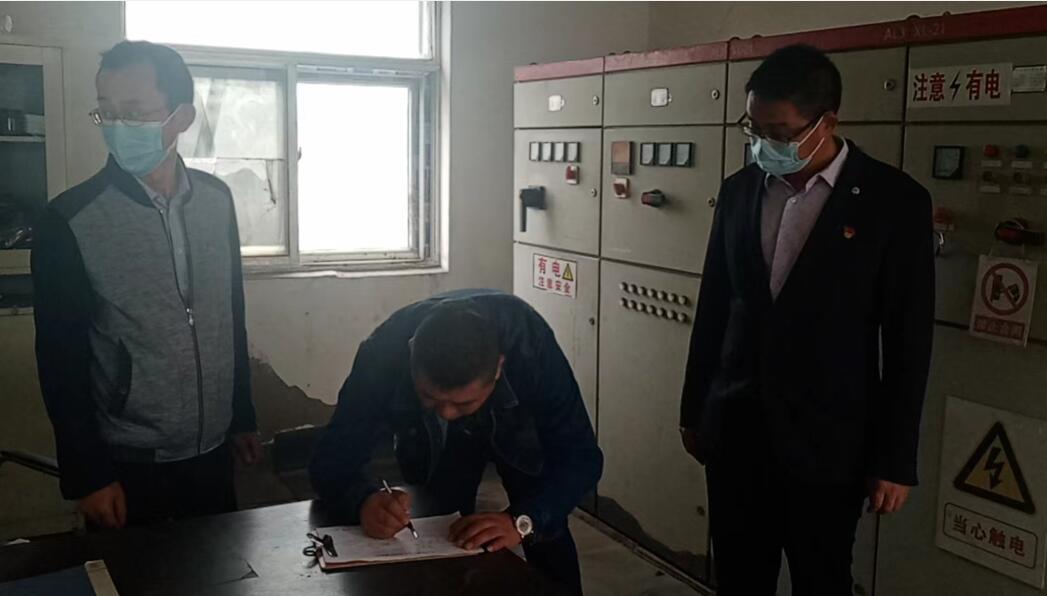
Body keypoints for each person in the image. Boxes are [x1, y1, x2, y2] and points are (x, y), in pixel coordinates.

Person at [679, 44, 934, 595]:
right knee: (739, 576)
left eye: (780, 132)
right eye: (755, 128)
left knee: (822, 579)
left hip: (830, 446)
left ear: (828, 123)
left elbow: (909, 342)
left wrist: (895, 459)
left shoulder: (894, 202)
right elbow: (716, 306)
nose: (765, 144)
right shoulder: (740, 190)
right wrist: (695, 410)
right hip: (737, 431)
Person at [32, 41, 261, 530]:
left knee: (219, 567)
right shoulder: (70, 221)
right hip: (127, 463)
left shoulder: (217, 201)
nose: (117, 126)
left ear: (182, 118)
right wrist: (88, 475)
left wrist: (241, 415)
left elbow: (230, 315)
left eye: (134, 112)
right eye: (107, 111)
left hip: (213, 451)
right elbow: (58, 358)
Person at [309, 290, 602, 595]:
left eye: (463, 403)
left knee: (542, 520)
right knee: (441, 523)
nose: (447, 414)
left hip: (517, 421)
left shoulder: (530, 346)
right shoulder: (382, 355)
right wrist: (363, 501)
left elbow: (582, 458)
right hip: (431, 442)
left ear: (498, 368)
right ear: (411, 357)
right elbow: (329, 460)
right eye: (430, 398)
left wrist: (523, 520)